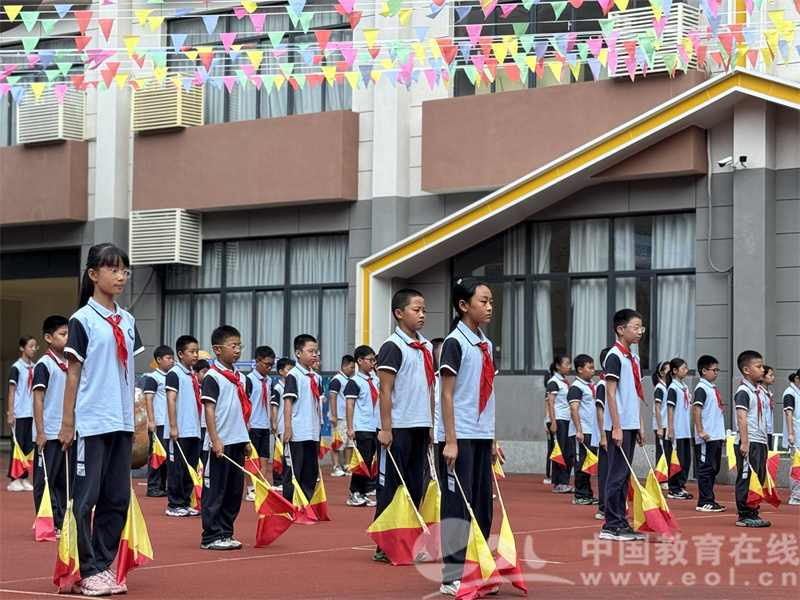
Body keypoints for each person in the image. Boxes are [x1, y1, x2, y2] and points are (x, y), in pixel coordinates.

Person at [58, 243, 145, 595]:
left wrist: (137, 418)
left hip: (121, 421)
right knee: (85, 498)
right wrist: (67, 423)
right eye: (113, 269)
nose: (121, 276)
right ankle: (85, 569)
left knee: (117, 497)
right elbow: (73, 374)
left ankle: (102, 565)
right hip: (92, 421)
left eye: (125, 270)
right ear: (93, 274)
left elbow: (128, 373)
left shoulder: (128, 320)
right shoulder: (82, 320)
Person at [438, 278, 497, 596]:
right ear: (463, 305)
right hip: (458, 436)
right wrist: (450, 441)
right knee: (457, 505)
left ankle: (478, 568)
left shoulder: (485, 344)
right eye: (483, 301)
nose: (489, 307)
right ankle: (452, 575)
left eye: (491, 302)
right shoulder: (454, 342)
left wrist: (492, 438)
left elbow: (488, 393)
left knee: (483, 506)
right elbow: (446, 394)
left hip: (481, 435)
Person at [373, 289, 435, 564]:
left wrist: (431, 424)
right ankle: (384, 546)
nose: (422, 315)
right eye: (416, 310)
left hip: (420, 425)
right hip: (397, 428)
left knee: (414, 487)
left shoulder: (427, 347)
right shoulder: (392, 346)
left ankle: (407, 542)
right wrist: (386, 429)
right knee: (391, 487)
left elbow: (430, 388)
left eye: (424, 310)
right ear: (399, 313)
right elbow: (385, 390)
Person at [201, 325, 252, 550]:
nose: (237, 350)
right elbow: (209, 410)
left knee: (233, 491)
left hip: (237, 440)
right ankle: (210, 536)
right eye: (233, 346)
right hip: (219, 442)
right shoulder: (213, 377)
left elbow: (242, 410)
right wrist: (215, 439)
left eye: (240, 346)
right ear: (217, 349)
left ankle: (226, 532)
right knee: (215, 490)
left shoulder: (240, 378)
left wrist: (245, 439)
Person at [600, 308, 646, 542]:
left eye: (641, 328)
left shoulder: (633, 358)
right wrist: (616, 427)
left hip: (630, 423)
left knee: (625, 476)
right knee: (616, 475)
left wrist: (640, 424)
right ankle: (611, 524)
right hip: (619, 425)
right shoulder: (615, 356)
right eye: (635, 327)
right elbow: (610, 393)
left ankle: (621, 521)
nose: (639, 332)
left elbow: (635, 394)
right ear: (621, 329)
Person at [32, 315, 70, 535]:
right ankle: (49, 522)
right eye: (63, 334)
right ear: (48, 338)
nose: (67, 338)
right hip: (49, 431)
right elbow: (38, 400)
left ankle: (62, 520)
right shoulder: (44, 364)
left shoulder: (71, 364)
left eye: (69, 334)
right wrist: (40, 432)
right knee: (45, 480)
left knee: (63, 481)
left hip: (66, 432)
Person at [282, 335, 323, 506]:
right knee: (293, 471)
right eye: (310, 351)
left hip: (312, 432)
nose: (314, 355)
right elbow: (288, 401)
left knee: (310, 472)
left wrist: (319, 426)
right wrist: (288, 427)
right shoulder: (294, 375)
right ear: (298, 353)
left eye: (316, 351)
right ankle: (290, 505)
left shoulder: (316, 377)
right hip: (297, 432)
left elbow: (317, 404)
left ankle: (305, 505)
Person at [164, 335, 202, 517]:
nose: (195, 355)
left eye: (197, 351)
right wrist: (173, 426)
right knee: (177, 468)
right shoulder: (174, 374)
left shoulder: (192, 375)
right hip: (179, 430)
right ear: (180, 354)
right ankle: (174, 504)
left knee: (190, 467)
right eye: (191, 351)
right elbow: (171, 400)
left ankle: (185, 502)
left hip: (193, 429)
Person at [733, 350, 770, 527]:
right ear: (746, 370)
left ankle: (753, 511)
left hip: (760, 441)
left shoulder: (759, 391)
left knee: (758, 478)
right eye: (759, 366)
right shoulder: (744, 391)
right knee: (747, 477)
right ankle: (744, 514)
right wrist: (745, 442)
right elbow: (742, 417)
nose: (763, 370)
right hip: (749, 441)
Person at [343, 345, 379, 508]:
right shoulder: (354, 382)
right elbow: (350, 405)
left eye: (374, 360)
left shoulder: (376, 380)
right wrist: (350, 427)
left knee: (370, 461)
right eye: (370, 360)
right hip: (361, 427)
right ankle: (354, 492)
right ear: (359, 361)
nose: (373, 363)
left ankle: (364, 491)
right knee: (362, 461)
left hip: (374, 426)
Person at [692, 355, 726, 512]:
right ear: (704, 371)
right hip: (707, 436)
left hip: (716, 434)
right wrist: (700, 430)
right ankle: (704, 501)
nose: (716, 373)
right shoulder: (702, 388)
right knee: (706, 468)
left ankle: (710, 498)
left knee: (713, 468)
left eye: (718, 370)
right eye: (714, 370)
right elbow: (696, 409)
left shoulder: (711, 388)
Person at [7, 334, 38, 491]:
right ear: (22, 348)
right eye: (30, 346)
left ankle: (25, 477)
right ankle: (15, 478)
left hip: (32, 413)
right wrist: (11, 413)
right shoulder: (17, 368)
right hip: (20, 413)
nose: (33, 349)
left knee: (29, 447)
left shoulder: (36, 367)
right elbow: (12, 391)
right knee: (17, 446)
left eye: (35, 346)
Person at [143, 345, 175, 498]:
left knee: (167, 456)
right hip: (159, 422)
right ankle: (153, 486)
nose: (171, 361)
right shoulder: (153, 378)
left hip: (169, 423)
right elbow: (148, 399)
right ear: (158, 360)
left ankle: (162, 486)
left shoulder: (172, 377)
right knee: (156, 455)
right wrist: (151, 420)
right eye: (168, 358)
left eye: (173, 358)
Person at [245, 346, 275, 502]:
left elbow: (270, 402)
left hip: (264, 425)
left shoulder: (269, 381)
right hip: (253, 424)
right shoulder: (249, 379)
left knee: (264, 457)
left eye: (271, 365)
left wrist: (272, 422)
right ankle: (250, 488)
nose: (269, 368)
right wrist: (246, 421)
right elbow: (244, 402)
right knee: (251, 459)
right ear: (257, 362)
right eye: (266, 364)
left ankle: (261, 486)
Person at [567, 354, 597, 506]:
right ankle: (580, 494)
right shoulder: (576, 387)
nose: (593, 371)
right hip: (583, 430)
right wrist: (579, 430)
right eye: (589, 368)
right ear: (580, 369)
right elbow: (574, 409)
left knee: (589, 463)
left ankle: (588, 493)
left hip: (592, 430)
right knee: (581, 463)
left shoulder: (592, 386)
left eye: (593, 367)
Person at [665, 358, 693, 500]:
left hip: (685, 430)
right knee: (677, 460)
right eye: (683, 368)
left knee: (686, 460)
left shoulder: (684, 387)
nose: (686, 371)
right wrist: (670, 429)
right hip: (677, 430)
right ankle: (674, 488)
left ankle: (681, 485)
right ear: (675, 371)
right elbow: (670, 409)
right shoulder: (673, 388)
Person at [545, 355, 573, 493]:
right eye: (566, 364)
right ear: (558, 366)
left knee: (569, 452)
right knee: (559, 451)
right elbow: (550, 403)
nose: (569, 367)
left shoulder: (564, 382)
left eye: (569, 364)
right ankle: (558, 482)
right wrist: (553, 422)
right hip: (558, 419)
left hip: (567, 419)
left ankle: (565, 481)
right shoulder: (553, 382)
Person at [328, 355, 355, 477]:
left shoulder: (349, 380)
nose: (353, 370)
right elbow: (332, 397)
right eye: (351, 367)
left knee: (349, 443)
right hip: (339, 417)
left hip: (348, 417)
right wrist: (334, 415)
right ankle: (335, 466)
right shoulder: (337, 380)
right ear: (344, 366)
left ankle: (347, 465)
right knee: (337, 442)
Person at [270, 357, 295, 491]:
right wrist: (274, 423)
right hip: (280, 427)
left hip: (289, 427)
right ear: (281, 371)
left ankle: (286, 479)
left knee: (288, 456)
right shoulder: (278, 388)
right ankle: (277, 481)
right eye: (289, 369)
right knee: (279, 455)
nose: (291, 372)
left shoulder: (292, 386)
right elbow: (274, 407)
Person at [594, 347, 610, 521]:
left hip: (617, 431)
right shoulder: (603, 384)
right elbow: (600, 410)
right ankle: (603, 507)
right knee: (606, 471)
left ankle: (614, 506)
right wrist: (603, 436)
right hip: (607, 433)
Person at [781, 369, 800, 505]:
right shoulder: (790, 393)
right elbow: (789, 414)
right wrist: (791, 434)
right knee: (796, 466)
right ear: (797, 379)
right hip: (796, 436)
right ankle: (796, 496)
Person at [651, 360, 669, 483]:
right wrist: (660, 427)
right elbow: (657, 409)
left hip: (667, 424)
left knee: (667, 452)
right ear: (662, 373)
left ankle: (666, 478)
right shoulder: (659, 388)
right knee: (662, 452)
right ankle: (661, 480)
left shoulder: (667, 387)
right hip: (661, 424)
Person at [195, 359, 210, 444]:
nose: (206, 375)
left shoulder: (209, 387)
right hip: (195, 424)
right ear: (196, 373)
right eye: (204, 372)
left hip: (206, 424)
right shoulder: (192, 387)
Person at [759, 365, 775, 449]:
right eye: (770, 375)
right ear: (762, 377)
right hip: (762, 431)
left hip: (768, 429)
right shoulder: (759, 393)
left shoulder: (768, 393)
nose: (773, 377)